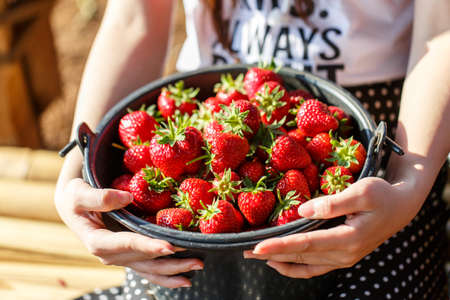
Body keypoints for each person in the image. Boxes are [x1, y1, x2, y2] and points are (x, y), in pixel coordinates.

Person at [55, 0, 450, 299]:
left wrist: (407, 185)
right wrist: (78, 166)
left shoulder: (385, 161)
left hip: (385, 139)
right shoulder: (187, 156)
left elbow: (442, 28)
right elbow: (133, 21)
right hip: (202, 116)